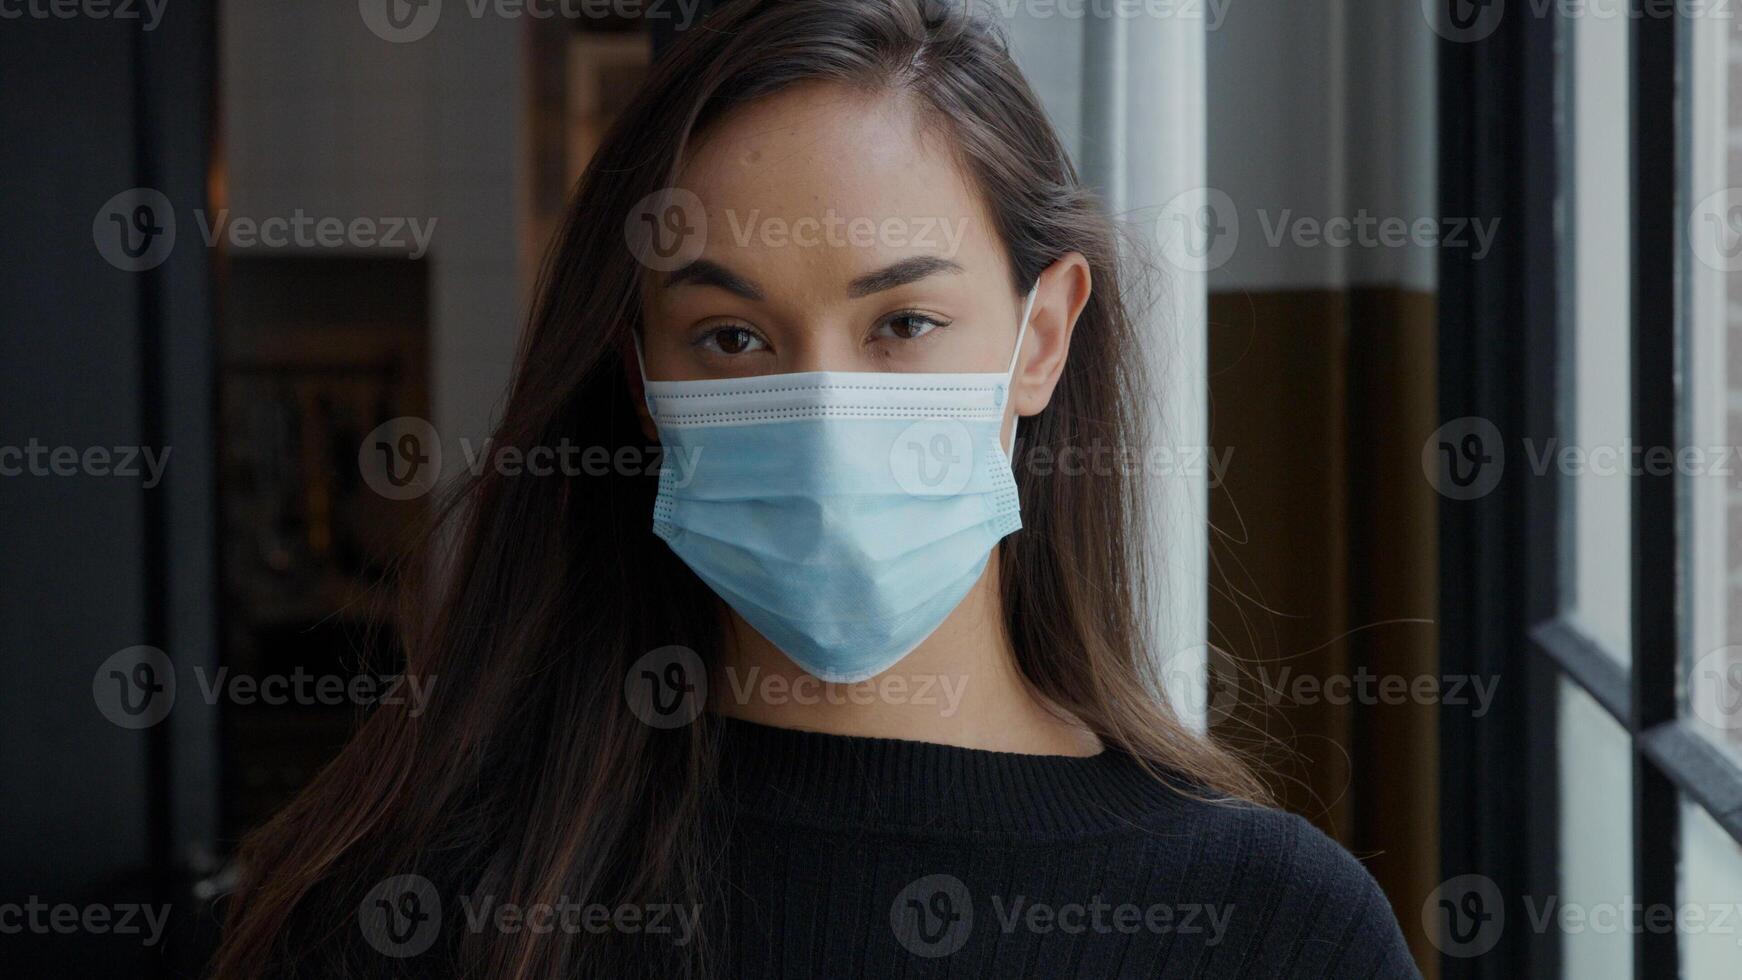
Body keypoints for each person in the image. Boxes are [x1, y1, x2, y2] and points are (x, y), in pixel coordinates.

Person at [210, 0, 1418, 976]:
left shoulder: (1272, 926)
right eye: (731, 337)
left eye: (902, 320)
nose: (826, 411)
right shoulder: (412, 911)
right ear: (641, 377)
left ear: (1039, 338)